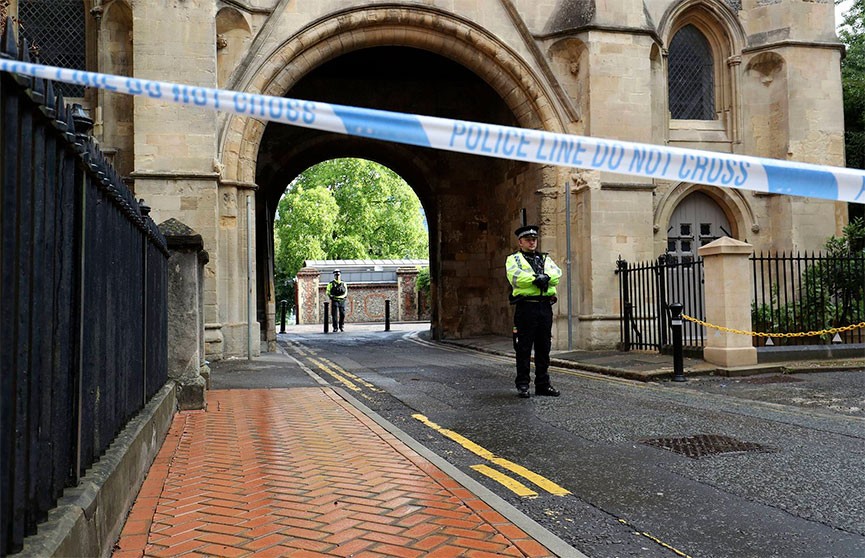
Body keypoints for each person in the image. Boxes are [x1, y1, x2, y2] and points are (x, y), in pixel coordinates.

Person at [505, 225, 562, 398]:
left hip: (544, 307)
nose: (532, 242)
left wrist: (547, 278)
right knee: (523, 347)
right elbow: (516, 277)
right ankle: (523, 384)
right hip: (526, 307)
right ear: (520, 242)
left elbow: (556, 274)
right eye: (528, 239)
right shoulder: (513, 259)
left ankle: (543, 384)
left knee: (544, 347)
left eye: (534, 239)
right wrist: (537, 279)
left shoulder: (545, 259)